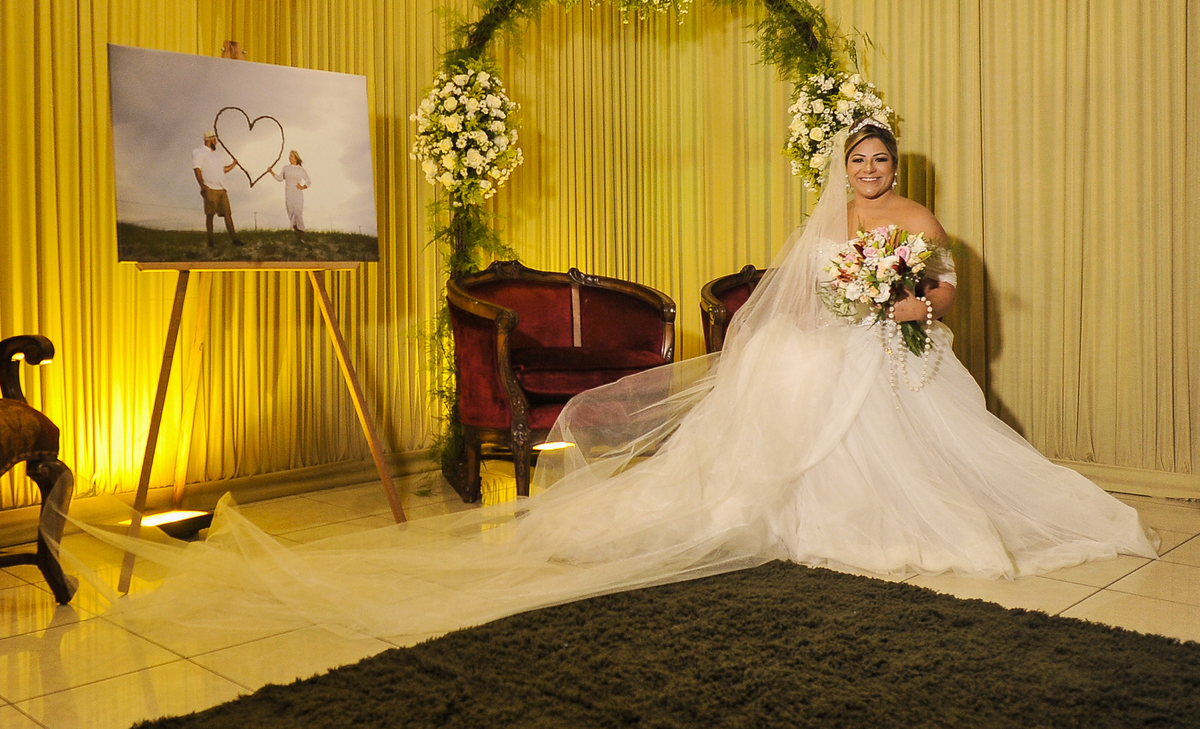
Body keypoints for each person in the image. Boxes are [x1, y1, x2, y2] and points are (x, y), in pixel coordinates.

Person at [71, 120, 1158, 641]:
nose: (871, 177)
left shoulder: (916, 224)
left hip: (902, 350)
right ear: (845, 171)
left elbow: (950, 295)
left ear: (898, 172)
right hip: (845, 335)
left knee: (839, 371)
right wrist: (844, 306)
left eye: (881, 166)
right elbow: (807, 294)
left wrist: (912, 302)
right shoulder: (831, 222)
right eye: (860, 165)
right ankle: (751, 490)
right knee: (778, 350)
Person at [192, 130, 243, 248]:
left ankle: (234, 240)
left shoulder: (216, 155)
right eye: (215, 140)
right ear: (209, 140)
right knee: (210, 214)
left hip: (222, 188)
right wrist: (202, 186)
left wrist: (233, 164)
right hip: (209, 188)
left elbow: (222, 170)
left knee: (227, 214)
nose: (216, 142)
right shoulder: (198, 152)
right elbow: (197, 169)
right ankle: (210, 241)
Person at [268, 150, 311, 242]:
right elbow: (280, 179)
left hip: (298, 194)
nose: (290, 158)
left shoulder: (300, 169)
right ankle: (297, 235)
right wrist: (271, 172)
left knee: (298, 212)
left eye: (291, 156)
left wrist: (303, 187)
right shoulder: (286, 168)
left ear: (296, 158)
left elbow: (308, 181)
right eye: (289, 156)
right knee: (291, 213)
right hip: (289, 194)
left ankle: (302, 232)